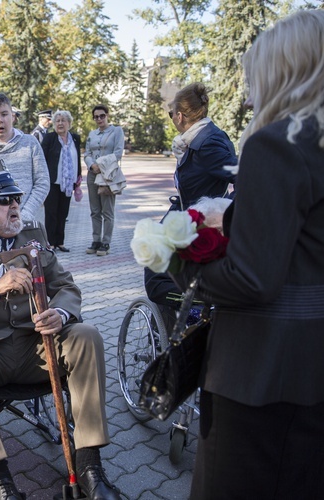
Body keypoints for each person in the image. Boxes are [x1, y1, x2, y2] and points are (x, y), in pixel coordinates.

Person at [171, 10, 324, 499]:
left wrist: (183, 266)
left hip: (261, 373)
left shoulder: (278, 144)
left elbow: (254, 278)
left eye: (254, 77)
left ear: (284, 72)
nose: (247, 93)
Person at [0, 163, 121, 500]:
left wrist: (60, 313)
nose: (15, 205)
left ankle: (90, 466)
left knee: (87, 334)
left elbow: (65, 285)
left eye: (16, 198)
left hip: (38, 346)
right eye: (5, 200)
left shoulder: (32, 234)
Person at [0, 92, 50, 222]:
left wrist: (25, 214)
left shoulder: (30, 143)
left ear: (12, 116)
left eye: (4, 114)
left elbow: (43, 182)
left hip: (25, 223)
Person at [169, 83, 237, 209]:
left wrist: (224, 211)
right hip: (190, 216)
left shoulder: (208, 144)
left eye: (171, 113)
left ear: (179, 117)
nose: (171, 117)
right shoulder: (194, 140)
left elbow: (245, 177)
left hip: (204, 223)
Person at [83, 105, 124, 256]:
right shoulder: (92, 134)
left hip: (107, 175)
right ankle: (96, 240)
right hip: (93, 173)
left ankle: (106, 242)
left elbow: (118, 153)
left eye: (102, 116)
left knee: (107, 210)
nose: (99, 119)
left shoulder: (116, 131)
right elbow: (87, 153)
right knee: (95, 211)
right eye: (96, 117)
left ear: (107, 115)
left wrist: (101, 164)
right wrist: (91, 164)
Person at [41, 110, 82, 252]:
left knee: (63, 213)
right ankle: (51, 242)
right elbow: (42, 160)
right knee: (51, 213)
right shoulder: (49, 138)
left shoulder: (75, 139)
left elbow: (77, 158)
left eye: (63, 120)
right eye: (57, 120)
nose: (60, 123)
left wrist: (78, 177)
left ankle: (60, 242)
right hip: (52, 182)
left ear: (69, 123)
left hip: (68, 183)